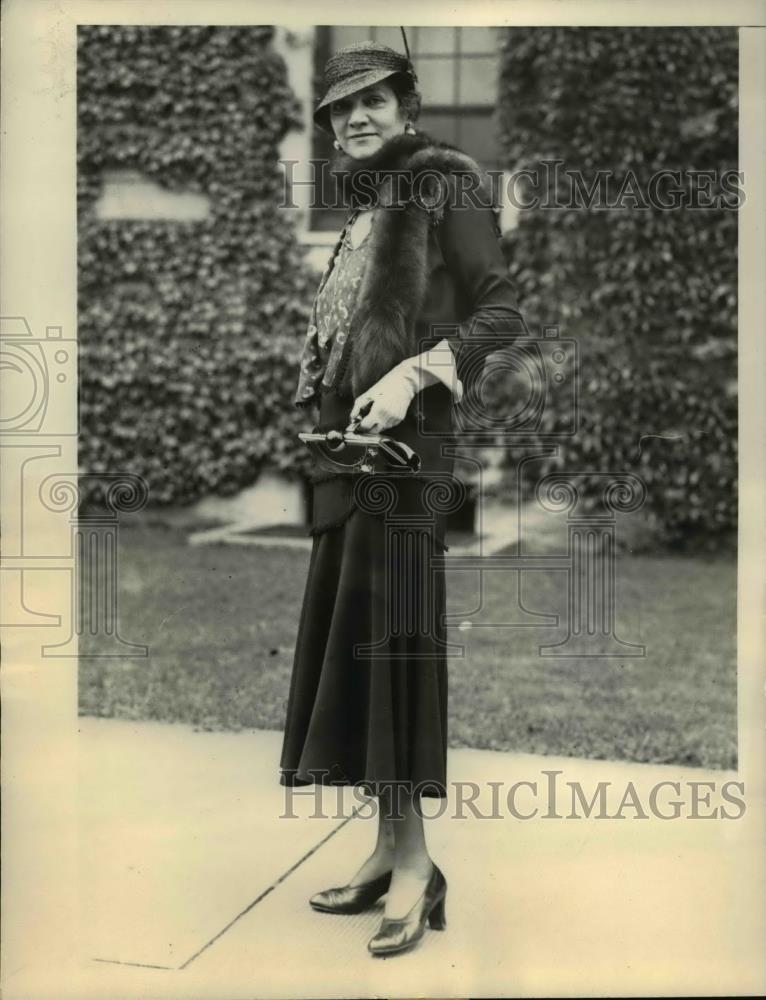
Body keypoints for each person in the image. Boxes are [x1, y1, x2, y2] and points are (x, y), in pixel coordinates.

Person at [279, 40, 523, 957]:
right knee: (360, 654)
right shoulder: (370, 204)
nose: (357, 119)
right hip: (351, 464)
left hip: (408, 463)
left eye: (375, 101)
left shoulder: (445, 182)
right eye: (342, 109)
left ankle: (418, 870)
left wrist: (418, 373)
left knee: (397, 654)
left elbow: (502, 312)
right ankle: (387, 850)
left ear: (409, 106)